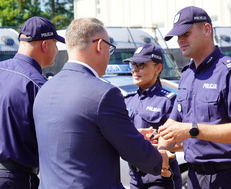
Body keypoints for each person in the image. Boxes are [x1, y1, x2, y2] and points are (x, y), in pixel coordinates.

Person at [32, 17, 173, 189]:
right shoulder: (103, 93)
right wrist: (162, 160)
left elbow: (78, 137)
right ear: (100, 46)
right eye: (110, 48)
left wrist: (133, 133)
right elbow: (134, 150)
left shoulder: (44, 89)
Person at [157, 6, 231, 189]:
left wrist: (192, 129)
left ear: (207, 29)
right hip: (194, 175)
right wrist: (162, 152)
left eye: (186, 33)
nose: (180, 40)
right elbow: (172, 125)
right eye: (178, 36)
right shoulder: (187, 74)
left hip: (225, 175)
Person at [0, 16, 65, 188]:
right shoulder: (39, 85)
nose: (57, 49)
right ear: (45, 45)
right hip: (15, 179)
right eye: (55, 44)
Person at [123, 43, 182, 189]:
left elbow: (187, 140)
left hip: (161, 177)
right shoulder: (127, 100)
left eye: (141, 65)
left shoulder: (169, 101)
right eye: (133, 64)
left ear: (158, 68)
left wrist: (162, 147)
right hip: (135, 176)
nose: (135, 70)